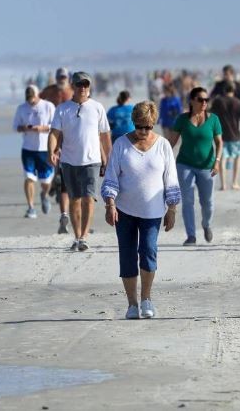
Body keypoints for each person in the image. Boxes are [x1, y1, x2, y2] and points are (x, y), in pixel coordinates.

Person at [101, 101, 180, 319]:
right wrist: (110, 204)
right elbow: (111, 177)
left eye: (148, 126)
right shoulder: (120, 145)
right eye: (139, 126)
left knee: (148, 252)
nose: (143, 131)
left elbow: (170, 178)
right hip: (124, 211)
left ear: (153, 124)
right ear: (133, 122)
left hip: (153, 212)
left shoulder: (163, 145)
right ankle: (132, 304)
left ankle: (146, 299)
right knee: (127, 256)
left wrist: (172, 208)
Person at [48, 72, 112, 251]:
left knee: (89, 199)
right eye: (79, 84)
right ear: (73, 86)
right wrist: (51, 151)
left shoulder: (97, 107)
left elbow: (105, 135)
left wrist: (109, 157)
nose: (83, 88)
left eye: (86, 84)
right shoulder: (62, 109)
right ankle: (76, 237)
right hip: (69, 161)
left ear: (89, 87)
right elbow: (54, 133)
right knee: (74, 200)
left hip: (92, 161)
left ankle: (84, 237)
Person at [167, 87, 223, 245]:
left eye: (206, 100)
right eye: (200, 99)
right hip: (185, 164)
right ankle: (191, 235)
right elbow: (171, 142)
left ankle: (206, 224)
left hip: (207, 166)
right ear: (192, 101)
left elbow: (219, 142)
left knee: (208, 202)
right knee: (188, 200)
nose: (204, 102)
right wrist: (160, 158)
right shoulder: (182, 119)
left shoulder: (213, 119)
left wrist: (217, 161)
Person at [40, 67, 75, 234]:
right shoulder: (50, 90)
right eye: (59, 76)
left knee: (67, 177)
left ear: (68, 78)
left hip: (70, 137)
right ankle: (65, 214)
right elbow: (37, 101)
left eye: (64, 77)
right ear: (56, 77)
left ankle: (73, 216)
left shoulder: (73, 91)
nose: (62, 79)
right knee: (61, 175)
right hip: (54, 134)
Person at [13, 85, 56, 218]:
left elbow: (55, 126)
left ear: (38, 95)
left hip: (45, 149)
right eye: (28, 98)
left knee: (46, 181)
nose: (30, 101)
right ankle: (31, 207)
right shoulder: (21, 108)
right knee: (29, 178)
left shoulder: (48, 106)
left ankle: (44, 195)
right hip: (28, 149)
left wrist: (42, 128)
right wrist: (24, 128)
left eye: (32, 98)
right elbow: (15, 126)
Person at [212, 82, 240, 191]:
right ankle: (234, 182)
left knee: (222, 159)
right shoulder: (238, 103)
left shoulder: (218, 101)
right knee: (237, 157)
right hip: (235, 135)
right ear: (233, 91)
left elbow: (211, 116)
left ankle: (223, 185)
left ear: (224, 90)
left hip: (221, 135)